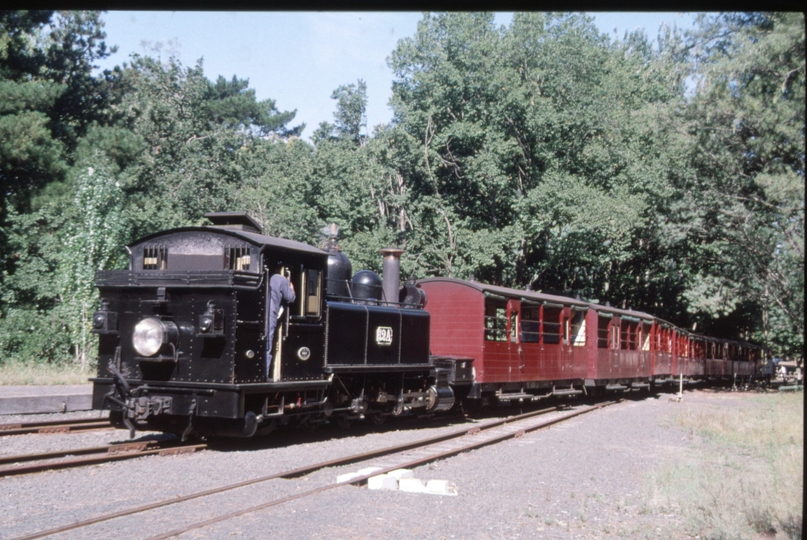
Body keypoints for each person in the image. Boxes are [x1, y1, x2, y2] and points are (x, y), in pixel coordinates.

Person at [266, 264, 295, 379]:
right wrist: (291, 286)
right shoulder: (280, 278)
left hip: (264, 314)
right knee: (267, 345)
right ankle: (265, 375)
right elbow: (291, 298)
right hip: (271, 314)